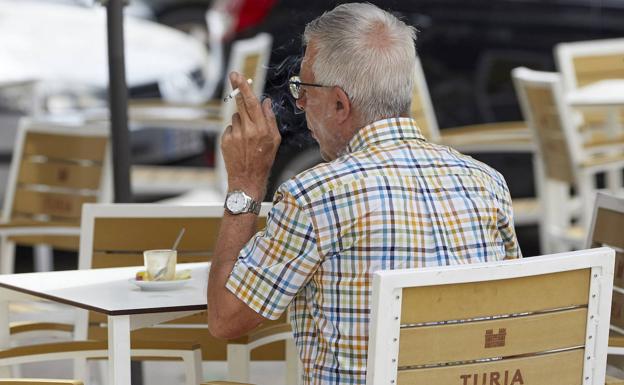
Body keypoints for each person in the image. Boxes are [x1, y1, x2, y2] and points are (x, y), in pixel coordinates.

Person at [206, 3, 522, 384]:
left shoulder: (316, 196)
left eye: (303, 89)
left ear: (340, 103)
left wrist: (246, 182)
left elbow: (226, 319)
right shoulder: (487, 183)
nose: (300, 103)